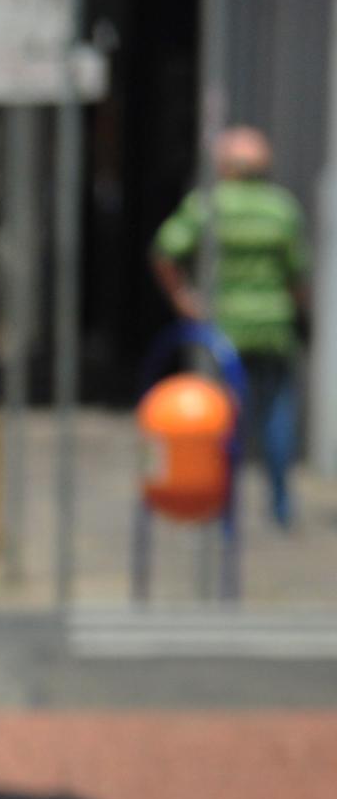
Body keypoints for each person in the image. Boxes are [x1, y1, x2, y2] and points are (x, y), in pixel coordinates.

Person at [153, 127, 313, 531]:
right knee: (276, 415)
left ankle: (223, 505)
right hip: (273, 325)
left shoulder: (209, 205)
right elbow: (298, 275)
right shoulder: (281, 209)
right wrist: (300, 315)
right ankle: (280, 506)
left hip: (225, 329)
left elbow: (165, 250)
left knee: (222, 418)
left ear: (225, 166)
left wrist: (183, 299)